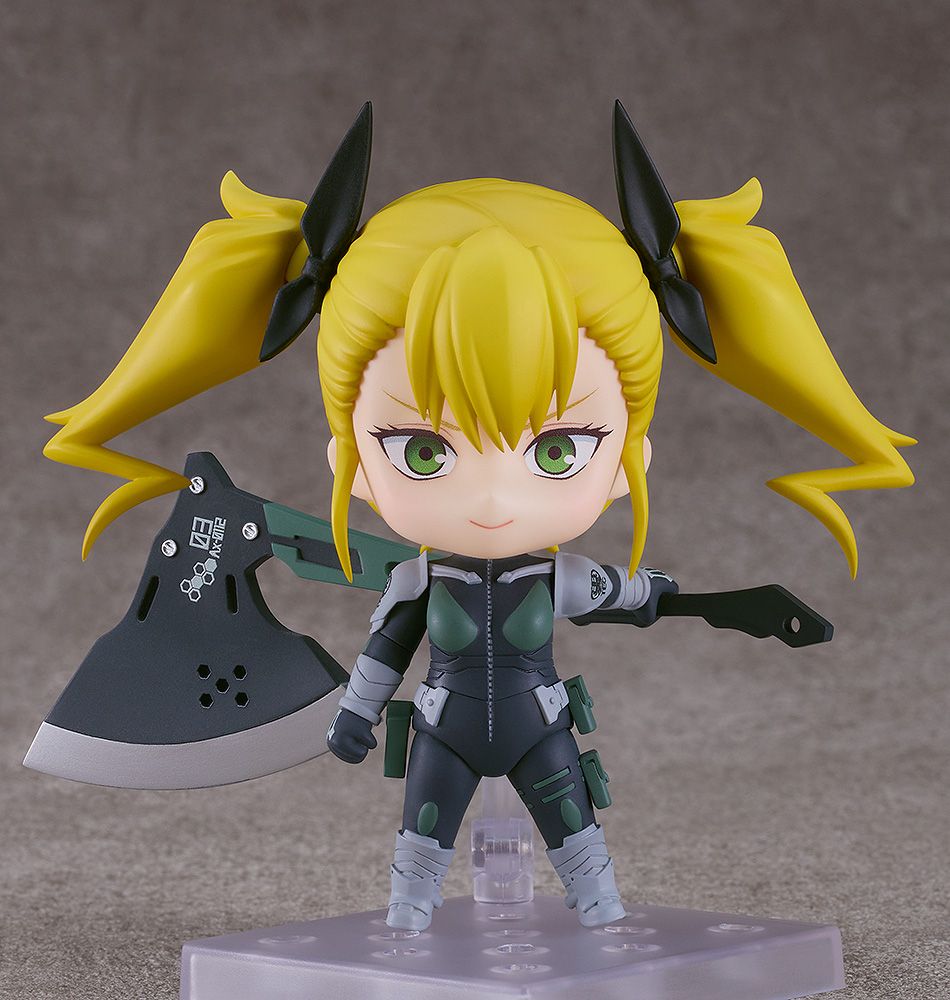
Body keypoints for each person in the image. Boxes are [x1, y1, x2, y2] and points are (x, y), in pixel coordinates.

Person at [42, 102, 914, 930]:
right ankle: (411, 919)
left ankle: (599, 911)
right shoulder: (416, 582)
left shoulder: (557, 578)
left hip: (541, 729)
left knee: (576, 834)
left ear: (630, 463)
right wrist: (353, 717)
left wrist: (715, 603)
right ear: (350, 466)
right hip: (442, 730)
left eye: (557, 450)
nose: (493, 497)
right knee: (421, 842)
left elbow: (634, 596)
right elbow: (383, 654)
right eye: (424, 452)